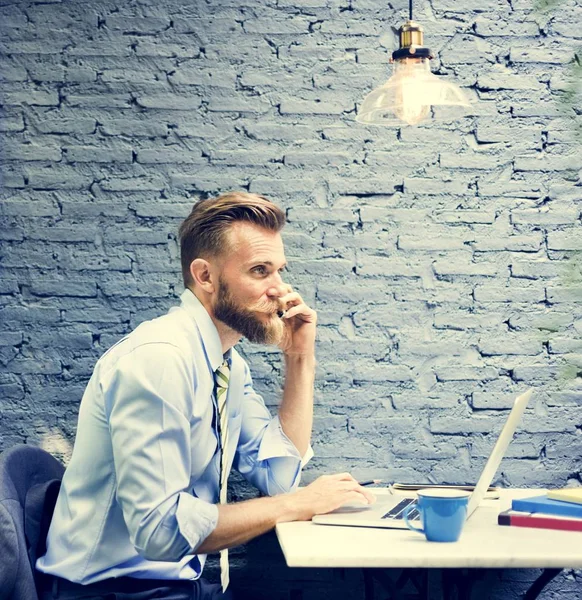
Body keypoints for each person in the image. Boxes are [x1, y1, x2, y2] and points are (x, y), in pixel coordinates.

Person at [36, 192, 375, 600]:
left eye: (279, 271)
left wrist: (300, 358)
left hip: (173, 582)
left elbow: (278, 476)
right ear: (206, 276)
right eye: (260, 271)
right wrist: (301, 503)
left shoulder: (225, 361)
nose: (280, 290)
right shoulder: (160, 360)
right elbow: (159, 531)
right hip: (111, 590)